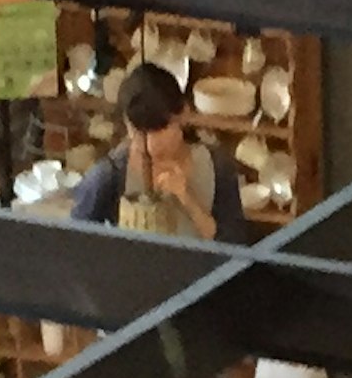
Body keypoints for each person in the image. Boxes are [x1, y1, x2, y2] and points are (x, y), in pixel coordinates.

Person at [70, 62, 244, 246]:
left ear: (183, 114)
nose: (150, 146)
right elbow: (75, 244)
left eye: (160, 130)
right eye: (138, 133)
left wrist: (187, 197)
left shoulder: (217, 166)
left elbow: (234, 245)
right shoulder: (110, 175)